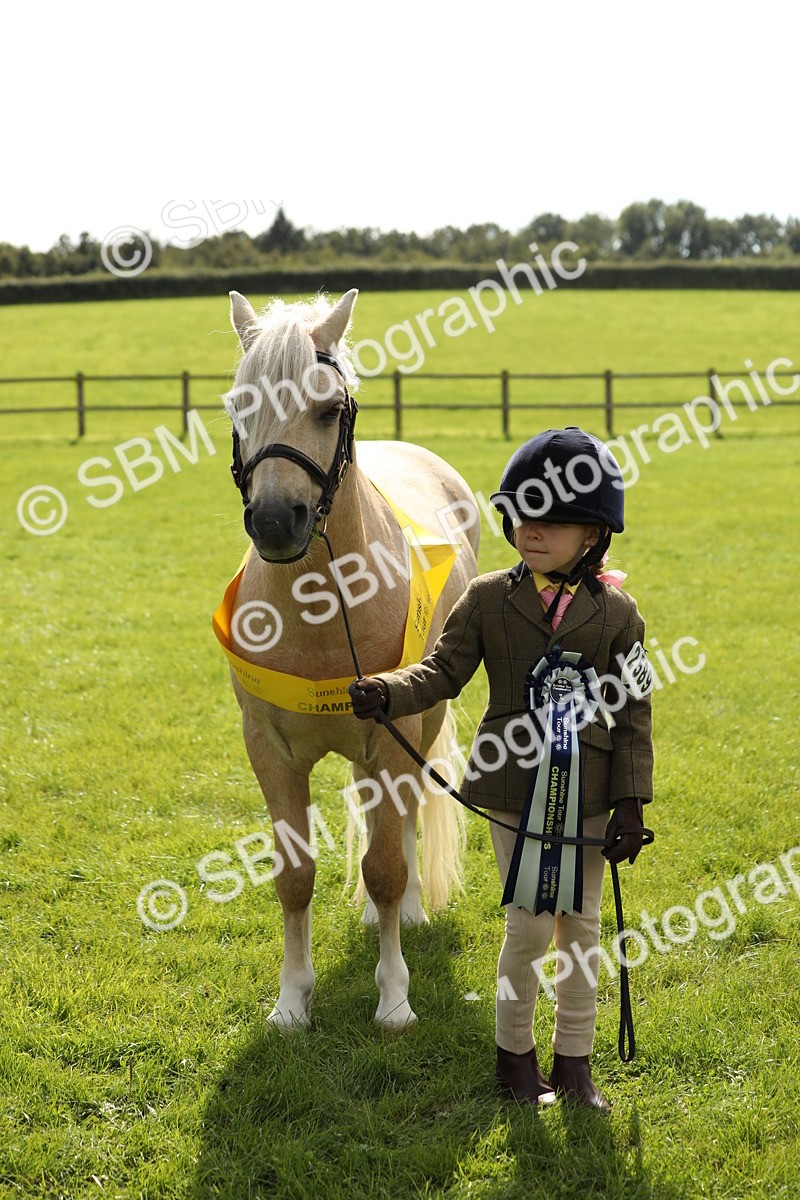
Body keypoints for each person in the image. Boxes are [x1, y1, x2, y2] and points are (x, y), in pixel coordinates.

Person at [349, 427, 654, 1111]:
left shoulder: (619, 614)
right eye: (522, 513)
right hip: (513, 786)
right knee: (531, 924)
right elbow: (442, 671)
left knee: (582, 929)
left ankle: (573, 1065)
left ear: (595, 535)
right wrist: (388, 692)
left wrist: (632, 801)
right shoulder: (488, 598)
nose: (531, 529)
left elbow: (634, 712)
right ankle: (514, 1058)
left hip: (591, 793)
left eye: (554, 520)